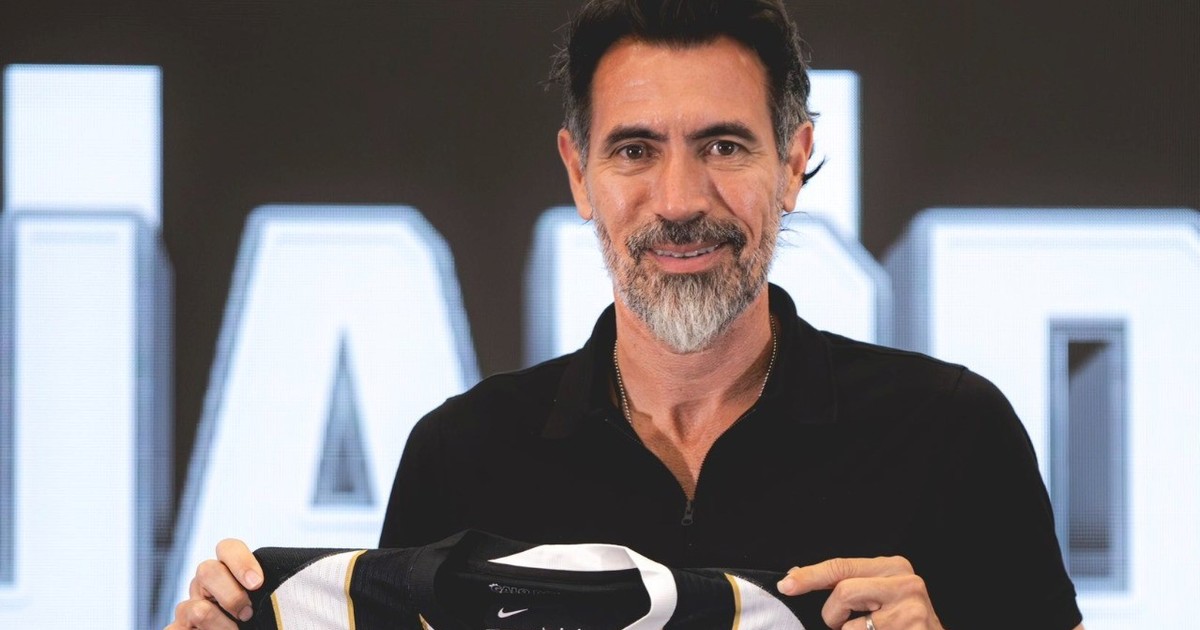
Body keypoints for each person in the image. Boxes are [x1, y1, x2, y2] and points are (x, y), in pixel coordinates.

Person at [168, 1, 1085, 629]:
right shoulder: (461, 454)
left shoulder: (955, 434)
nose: (679, 200)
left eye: (723, 146)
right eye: (635, 150)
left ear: (793, 161)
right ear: (579, 174)